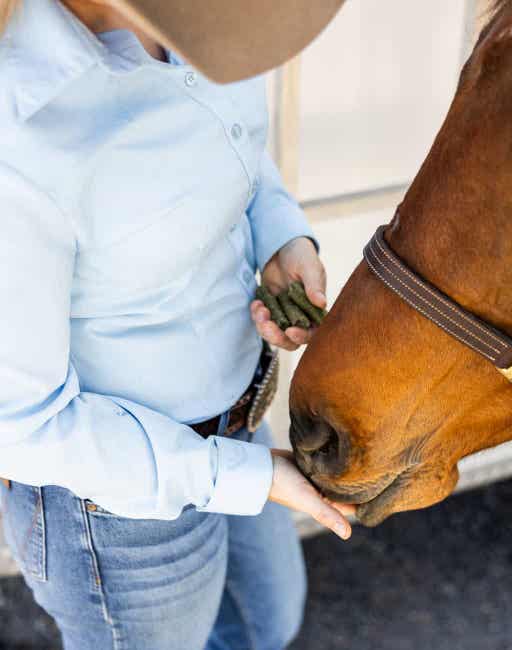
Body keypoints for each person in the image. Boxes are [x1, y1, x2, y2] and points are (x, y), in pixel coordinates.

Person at [0, 0, 351, 648]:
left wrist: (281, 234)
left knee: (264, 624)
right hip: (114, 507)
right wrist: (244, 478)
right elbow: (22, 426)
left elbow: (232, 145)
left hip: (243, 424)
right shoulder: (19, 130)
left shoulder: (206, 21)